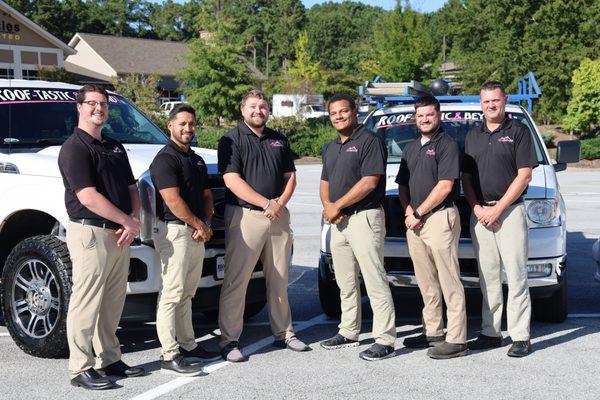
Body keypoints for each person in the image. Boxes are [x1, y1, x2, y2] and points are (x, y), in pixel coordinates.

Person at [58, 84, 144, 390]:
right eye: (92, 103)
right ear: (79, 107)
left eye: (104, 104)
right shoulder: (74, 148)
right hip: (90, 232)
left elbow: (132, 188)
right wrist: (127, 221)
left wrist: (133, 220)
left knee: (112, 301)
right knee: (86, 301)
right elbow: (88, 197)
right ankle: (80, 368)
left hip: (120, 233)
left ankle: (109, 358)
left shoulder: (114, 146)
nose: (99, 108)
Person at [217, 90, 309, 362]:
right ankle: (229, 339)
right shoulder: (231, 139)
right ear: (243, 110)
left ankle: (285, 333)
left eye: (263, 107)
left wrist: (278, 203)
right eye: (253, 106)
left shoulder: (278, 139)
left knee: (279, 278)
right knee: (237, 279)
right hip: (246, 216)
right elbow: (232, 180)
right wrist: (265, 203)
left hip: (278, 215)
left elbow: (290, 176)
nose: (259, 111)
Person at [462, 81, 538, 357]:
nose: (491, 105)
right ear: (480, 104)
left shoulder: (518, 131)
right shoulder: (472, 135)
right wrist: (477, 207)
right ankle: (491, 332)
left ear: (504, 100)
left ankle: (520, 336)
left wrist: (498, 208)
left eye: (496, 100)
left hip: (510, 213)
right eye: (486, 102)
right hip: (481, 215)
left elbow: (524, 175)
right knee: (488, 277)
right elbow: (466, 178)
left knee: (516, 275)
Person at [319, 93, 396, 361]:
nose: (338, 117)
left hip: (364, 218)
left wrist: (336, 205)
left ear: (355, 112)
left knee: (374, 279)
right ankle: (349, 331)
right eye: (333, 113)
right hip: (339, 222)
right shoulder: (330, 147)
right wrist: (329, 207)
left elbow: (369, 182)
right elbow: (325, 182)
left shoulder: (370, 141)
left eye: (343, 111)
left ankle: (385, 338)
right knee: (345, 281)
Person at [150, 104, 220, 376]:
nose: (188, 128)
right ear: (170, 126)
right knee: (172, 293)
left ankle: (189, 346)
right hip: (175, 232)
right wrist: (198, 224)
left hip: (196, 232)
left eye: (192, 124)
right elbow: (172, 200)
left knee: (188, 293)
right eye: (182, 124)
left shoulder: (196, 159)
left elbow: (206, 195)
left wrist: (207, 224)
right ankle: (169, 353)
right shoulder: (165, 159)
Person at [396, 95, 467, 359]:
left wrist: (418, 211)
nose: (424, 120)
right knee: (426, 281)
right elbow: (403, 184)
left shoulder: (447, 145)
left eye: (429, 115)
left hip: (439, 218)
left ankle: (457, 339)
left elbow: (446, 185)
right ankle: (433, 332)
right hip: (415, 222)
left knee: (449, 279)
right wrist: (407, 209)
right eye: (420, 116)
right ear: (415, 119)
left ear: (439, 116)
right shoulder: (411, 148)